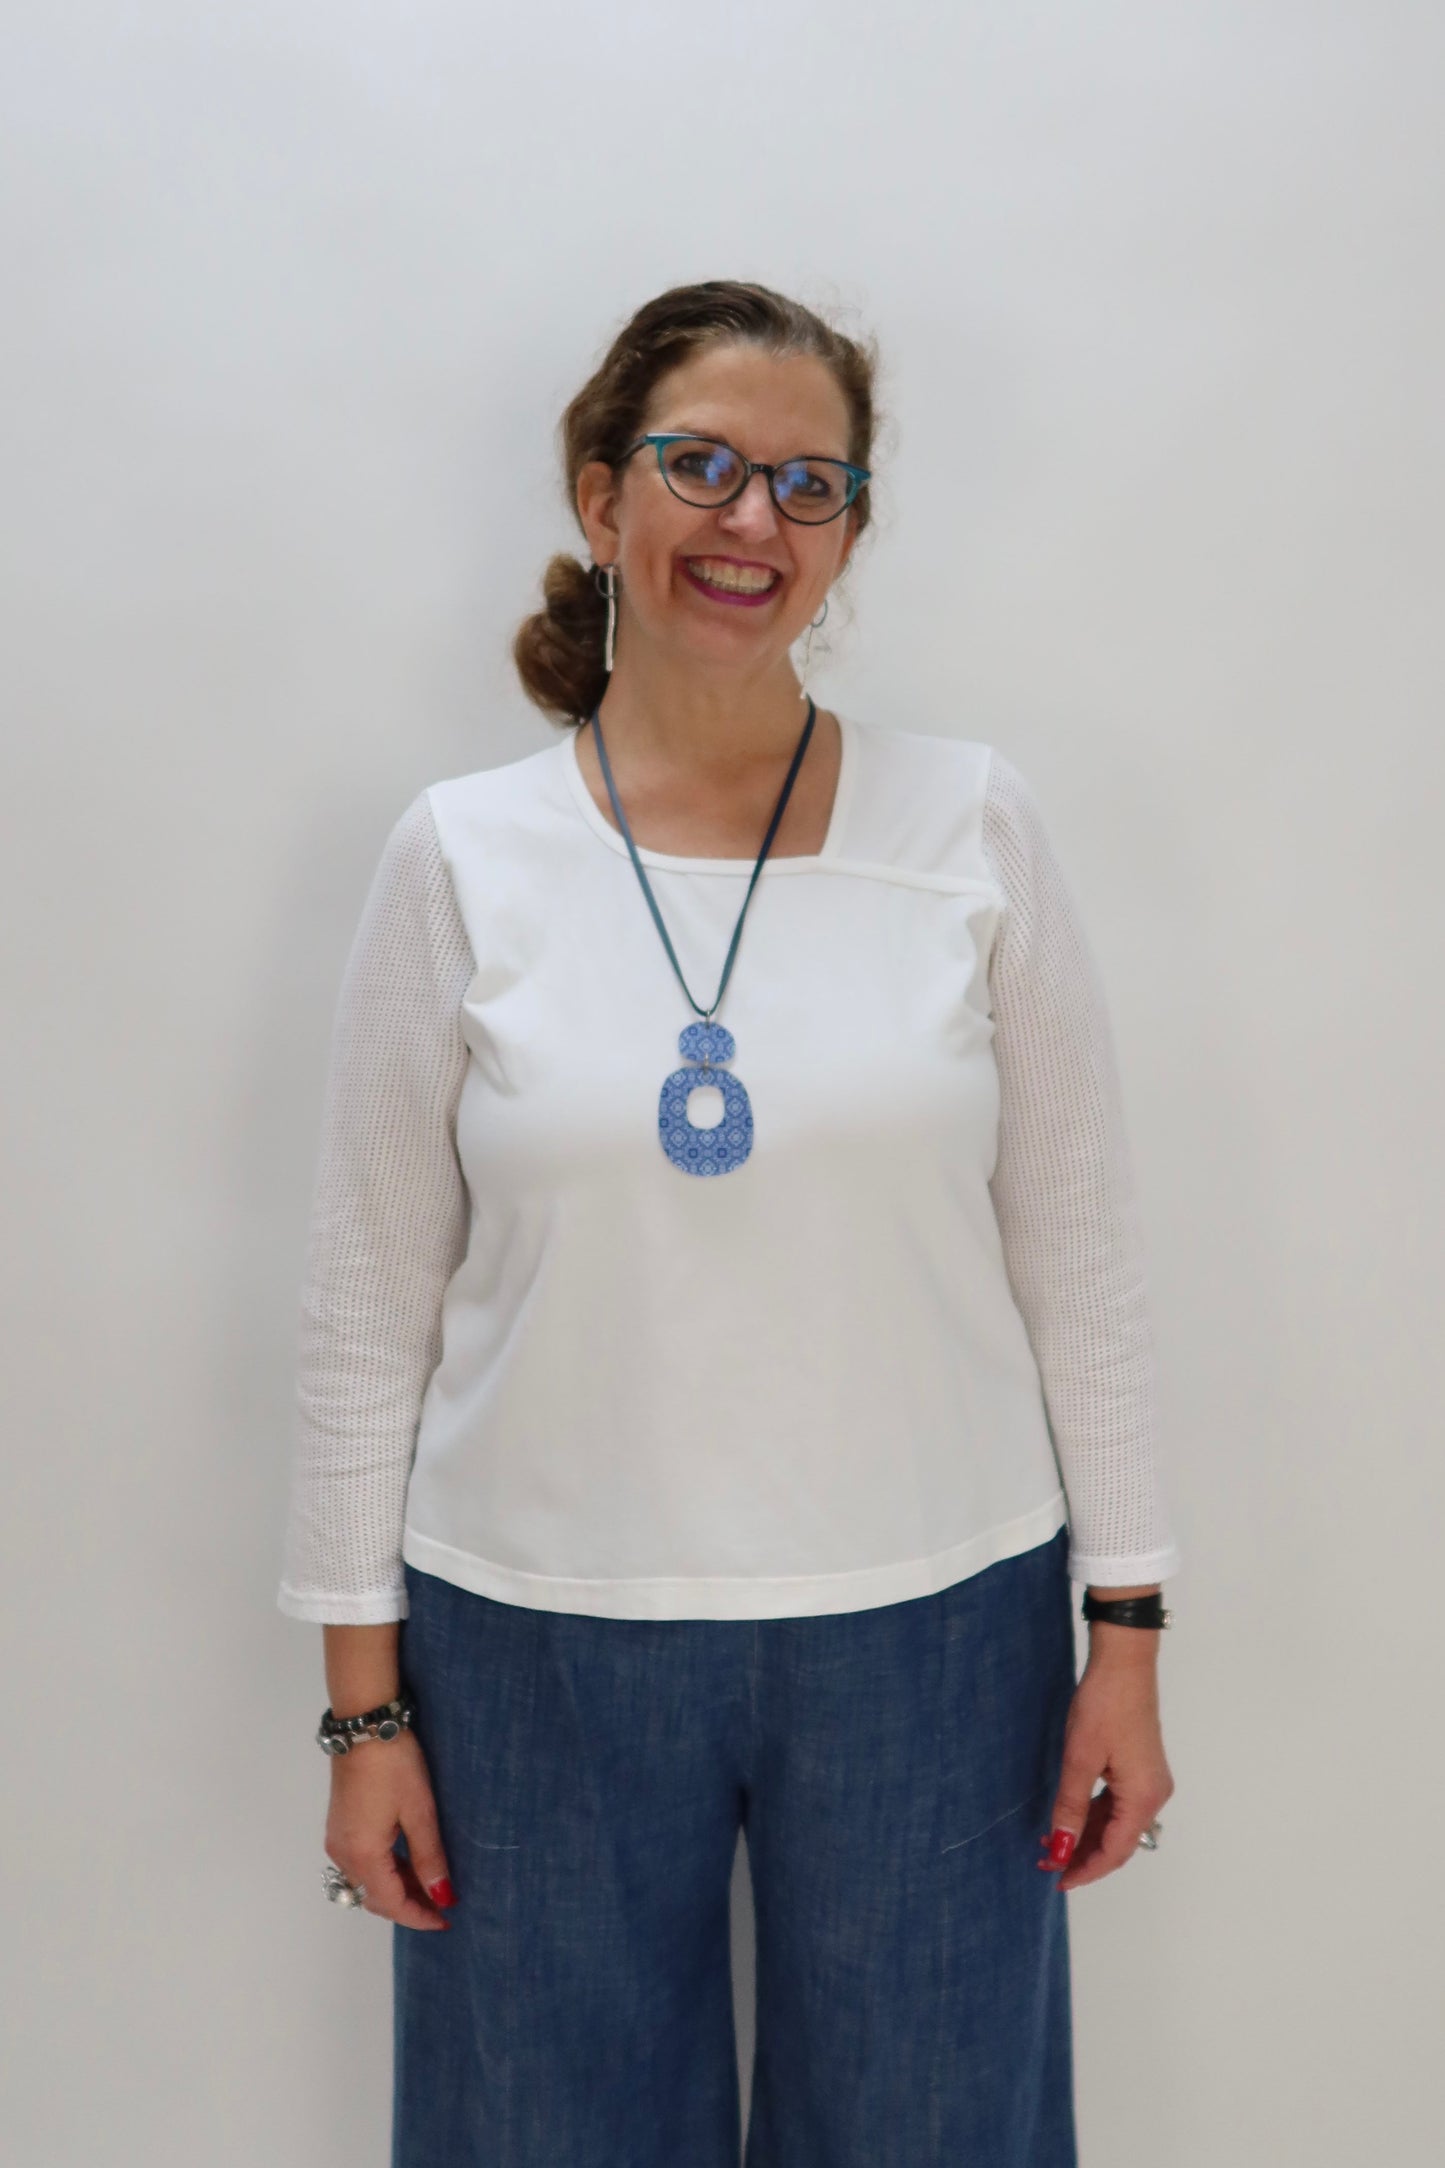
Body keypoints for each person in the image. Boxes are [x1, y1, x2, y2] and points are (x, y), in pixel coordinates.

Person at [276, 277, 1180, 2167]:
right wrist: (364, 1718)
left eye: (807, 483)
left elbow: (1080, 1266)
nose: (752, 519)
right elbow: (368, 1310)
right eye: (701, 466)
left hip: (934, 1627)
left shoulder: (969, 831)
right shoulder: (461, 858)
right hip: (536, 1635)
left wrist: (1124, 1635)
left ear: (847, 531)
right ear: (600, 497)